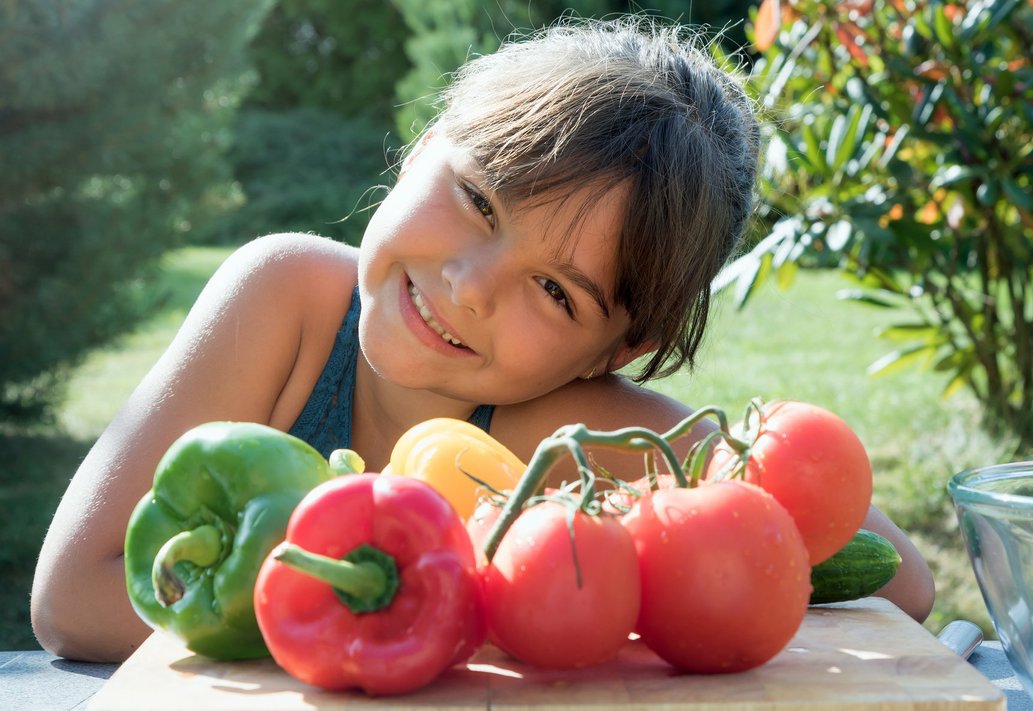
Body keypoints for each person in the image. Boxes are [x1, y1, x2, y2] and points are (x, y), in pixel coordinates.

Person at [31, 17, 934, 663]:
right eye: (476, 199)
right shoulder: (291, 303)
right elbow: (71, 597)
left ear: (611, 352)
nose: (466, 287)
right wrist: (398, 621)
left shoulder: (585, 440)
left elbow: (896, 579)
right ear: (424, 141)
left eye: (554, 290)